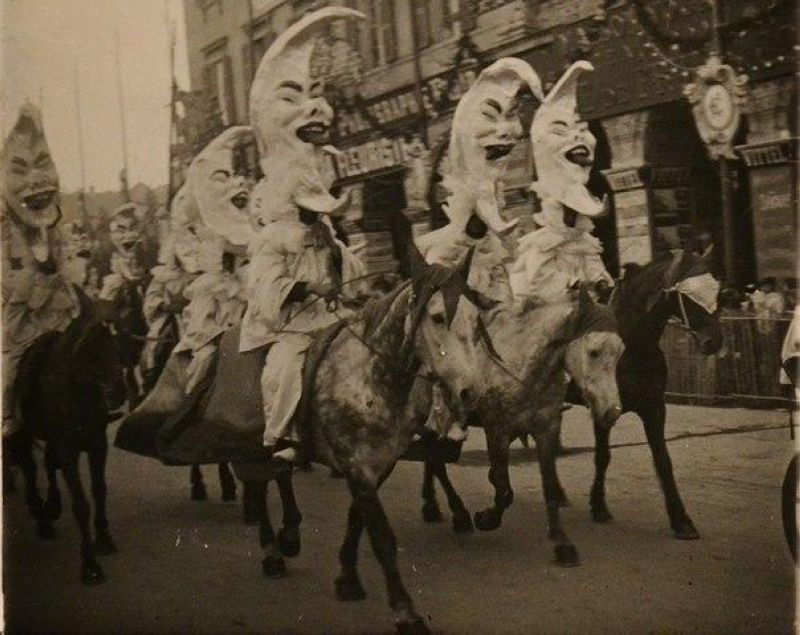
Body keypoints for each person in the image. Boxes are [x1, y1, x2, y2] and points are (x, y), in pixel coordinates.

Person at [240, 7, 368, 463]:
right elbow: (263, 289)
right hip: (294, 325)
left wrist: (360, 280)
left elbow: (351, 272)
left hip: (332, 319)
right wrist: (304, 286)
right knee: (287, 365)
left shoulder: (327, 234)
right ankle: (283, 434)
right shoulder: (274, 238)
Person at [414, 58, 544, 439]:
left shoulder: (495, 216)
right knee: (453, 345)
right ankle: (445, 412)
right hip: (456, 311)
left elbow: (508, 273)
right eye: (492, 116)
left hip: (493, 299)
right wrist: (470, 235)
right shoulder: (453, 230)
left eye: (513, 117)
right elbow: (437, 278)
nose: (508, 131)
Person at [1, 104, 80, 437]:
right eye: (20, 168)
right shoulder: (4, 232)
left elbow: (71, 267)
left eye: (43, 164)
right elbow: (8, 282)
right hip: (22, 322)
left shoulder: (56, 226)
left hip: (60, 315)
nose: (36, 179)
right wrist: (38, 282)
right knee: (9, 365)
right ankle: (6, 414)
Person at [509, 61, 614, 306]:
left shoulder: (583, 240)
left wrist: (601, 281)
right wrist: (572, 284)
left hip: (585, 305)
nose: (571, 216)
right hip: (552, 306)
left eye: (582, 129)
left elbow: (592, 264)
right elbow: (538, 278)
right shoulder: (543, 243)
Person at [169, 126, 256, 394]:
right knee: (206, 354)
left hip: (252, 290)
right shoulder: (204, 217)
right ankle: (193, 405)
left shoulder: (252, 217)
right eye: (223, 177)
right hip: (218, 298)